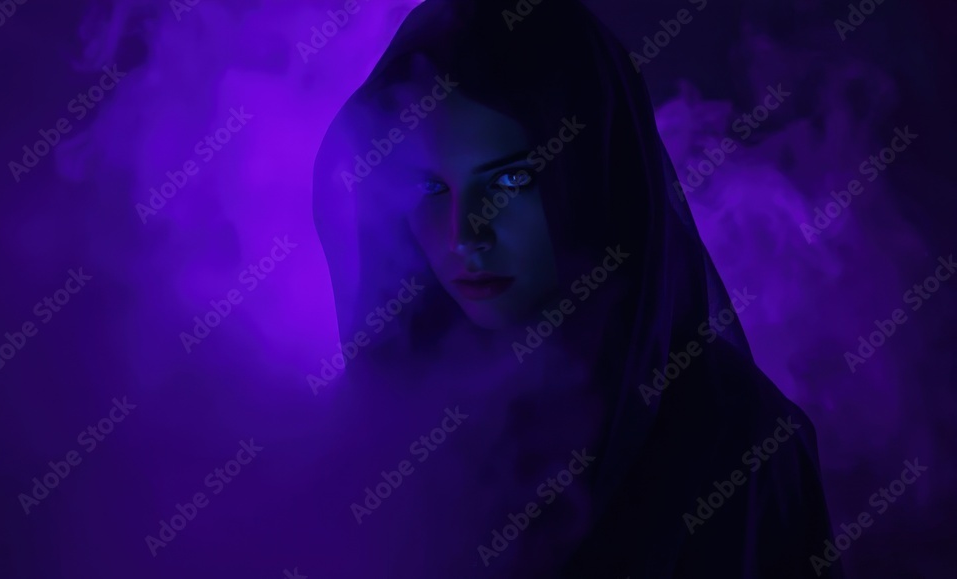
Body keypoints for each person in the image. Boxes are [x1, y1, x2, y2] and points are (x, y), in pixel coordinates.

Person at [305, 0, 842, 576]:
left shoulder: (742, 443)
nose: (465, 233)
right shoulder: (383, 426)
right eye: (430, 188)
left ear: (593, 174)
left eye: (512, 179)